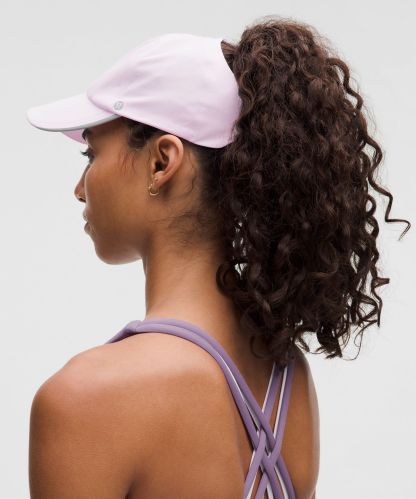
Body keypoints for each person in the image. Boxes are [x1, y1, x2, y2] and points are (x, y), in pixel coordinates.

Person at [26, 16, 410, 499]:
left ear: (162, 161)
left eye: (91, 156)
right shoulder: (285, 376)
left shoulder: (86, 397)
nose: (80, 189)